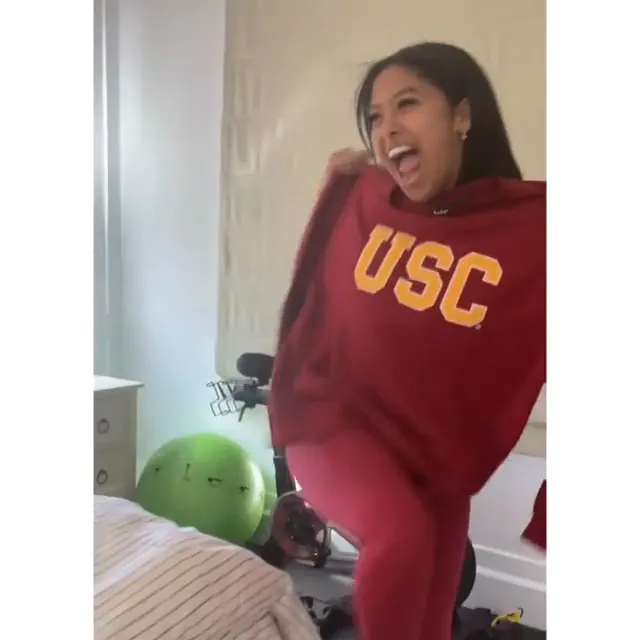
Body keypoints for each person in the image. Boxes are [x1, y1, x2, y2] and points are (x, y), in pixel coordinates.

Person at [268, 42, 546, 640]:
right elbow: (313, 293)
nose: (386, 127)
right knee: (402, 536)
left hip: (434, 453)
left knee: (434, 603)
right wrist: (336, 194)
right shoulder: (368, 202)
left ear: (462, 116)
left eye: (408, 104)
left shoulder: (527, 233)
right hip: (330, 419)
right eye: (375, 116)